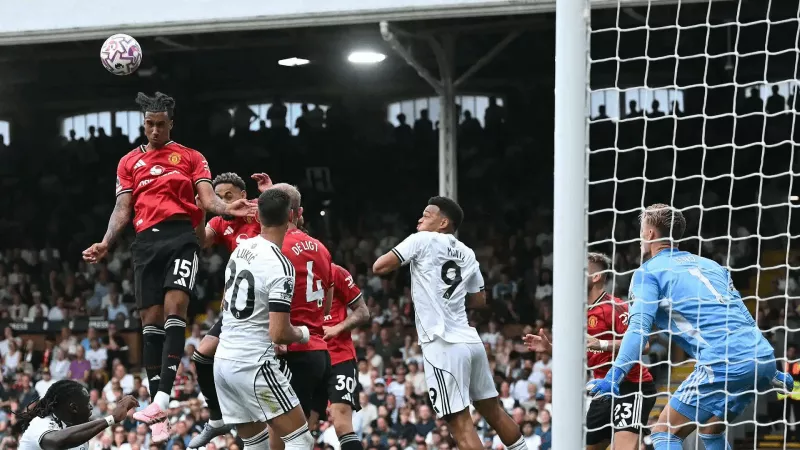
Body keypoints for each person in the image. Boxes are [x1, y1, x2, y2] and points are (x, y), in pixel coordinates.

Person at [82, 92, 256, 442]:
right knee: (150, 322)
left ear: (171, 123)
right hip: (146, 242)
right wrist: (106, 241)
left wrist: (226, 209)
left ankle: (163, 395)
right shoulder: (129, 162)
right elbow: (123, 209)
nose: (155, 130)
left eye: (162, 124)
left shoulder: (191, 157)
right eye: (150, 124)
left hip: (181, 238)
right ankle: (157, 414)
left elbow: (207, 199)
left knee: (175, 308)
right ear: (143, 124)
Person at [586, 203, 794, 450]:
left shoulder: (648, 273)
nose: (641, 237)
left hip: (723, 362)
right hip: (761, 356)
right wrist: (771, 371)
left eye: (642, 231)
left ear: (650, 234)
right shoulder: (711, 265)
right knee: (710, 430)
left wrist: (614, 377)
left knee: (664, 433)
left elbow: (639, 331)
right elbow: (742, 314)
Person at [372, 196, 530, 450]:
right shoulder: (468, 253)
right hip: (469, 339)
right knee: (495, 412)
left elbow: (379, 267)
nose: (420, 219)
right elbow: (479, 300)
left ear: (443, 222)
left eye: (427, 214)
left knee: (460, 424)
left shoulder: (420, 240)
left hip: (442, 343)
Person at [213, 188, 314, 450]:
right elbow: (279, 334)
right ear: (291, 216)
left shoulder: (240, 249)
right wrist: (302, 334)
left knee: (255, 444)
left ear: (257, 216)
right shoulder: (281, 265)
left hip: (223, 363)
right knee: (300, 440)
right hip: (253, 364)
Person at [523, 253, 656, 450]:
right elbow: (578, 353)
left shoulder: (615, 307)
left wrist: (601, 344)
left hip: (632, 386)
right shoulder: (577, 313)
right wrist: (550, 349)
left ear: (596, 277)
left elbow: (643, 346)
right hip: (602, 389)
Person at [188, 172, 272, 448]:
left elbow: (293, 222)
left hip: (270, 303)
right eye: (218, 197)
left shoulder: (260, 212)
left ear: (243, 196)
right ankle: (216, 418)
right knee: (201, 356)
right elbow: (200, 241)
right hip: (237, 308)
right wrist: (200, 210)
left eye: (229, 196)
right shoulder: (220, 221)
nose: (223, 202)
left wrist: (270, 194)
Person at [268, 183, 334, 450]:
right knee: (299, 437)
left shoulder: (273, 247)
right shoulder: (322, 249)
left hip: (288, 351)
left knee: (280, 439)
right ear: (299, 212)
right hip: (318, 353)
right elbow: (327, 307)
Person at [321, 263, 371, 450]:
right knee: (303, 426)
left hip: (339, 356)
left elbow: (363, 312)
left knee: (341, 422)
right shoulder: (286, 270)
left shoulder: (335, 271)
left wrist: (337, 328)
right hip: (306, 355)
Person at [17, 379, 138, 450]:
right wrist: (111, 419)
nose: (91, 406)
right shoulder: (41, 423)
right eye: (86, 403)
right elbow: (56, 441)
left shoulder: (79, 432)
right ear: (73, 407)